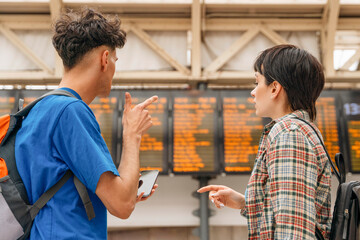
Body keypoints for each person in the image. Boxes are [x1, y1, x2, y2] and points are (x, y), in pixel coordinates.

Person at [15, 8, 158, 239]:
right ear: (104, 59)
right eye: (114, 59)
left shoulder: (36, 111)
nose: (114, 68)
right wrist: (132, 134)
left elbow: (61, 190)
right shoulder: (71, 112)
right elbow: (121, 204)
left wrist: (130, 190)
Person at [198, 44, 332, 239]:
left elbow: (293, 229)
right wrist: (246, 203)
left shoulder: (289, 134)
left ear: (275, 88)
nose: (253, 92)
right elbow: (288, 209)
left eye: (257, 82)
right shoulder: (301, 130)